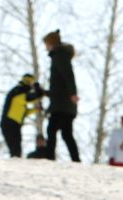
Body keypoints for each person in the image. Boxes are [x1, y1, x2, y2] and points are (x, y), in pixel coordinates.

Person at [42, 29, 80, 162]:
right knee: (66, 134)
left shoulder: (59, 56)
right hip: (63, 103)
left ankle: (49, 157)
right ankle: (75, 159)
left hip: (62, 105)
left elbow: (68, 75)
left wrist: (72, 93)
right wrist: (44, 92)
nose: (45, 47)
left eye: (46, 44)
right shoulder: (59, 56)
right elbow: (58, 86)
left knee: (52, 129)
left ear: (51, 43)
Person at [0, 74, 43, 158]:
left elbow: (23, 112)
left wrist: (35, 109)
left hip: (13, 123)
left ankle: (15, 166)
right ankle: (14, 167)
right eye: (32, 83)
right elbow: (31, 97)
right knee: (15, 149)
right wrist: (38, 90)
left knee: (16, 149)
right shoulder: (18, 91)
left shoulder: (18, 92)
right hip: (10, 123)